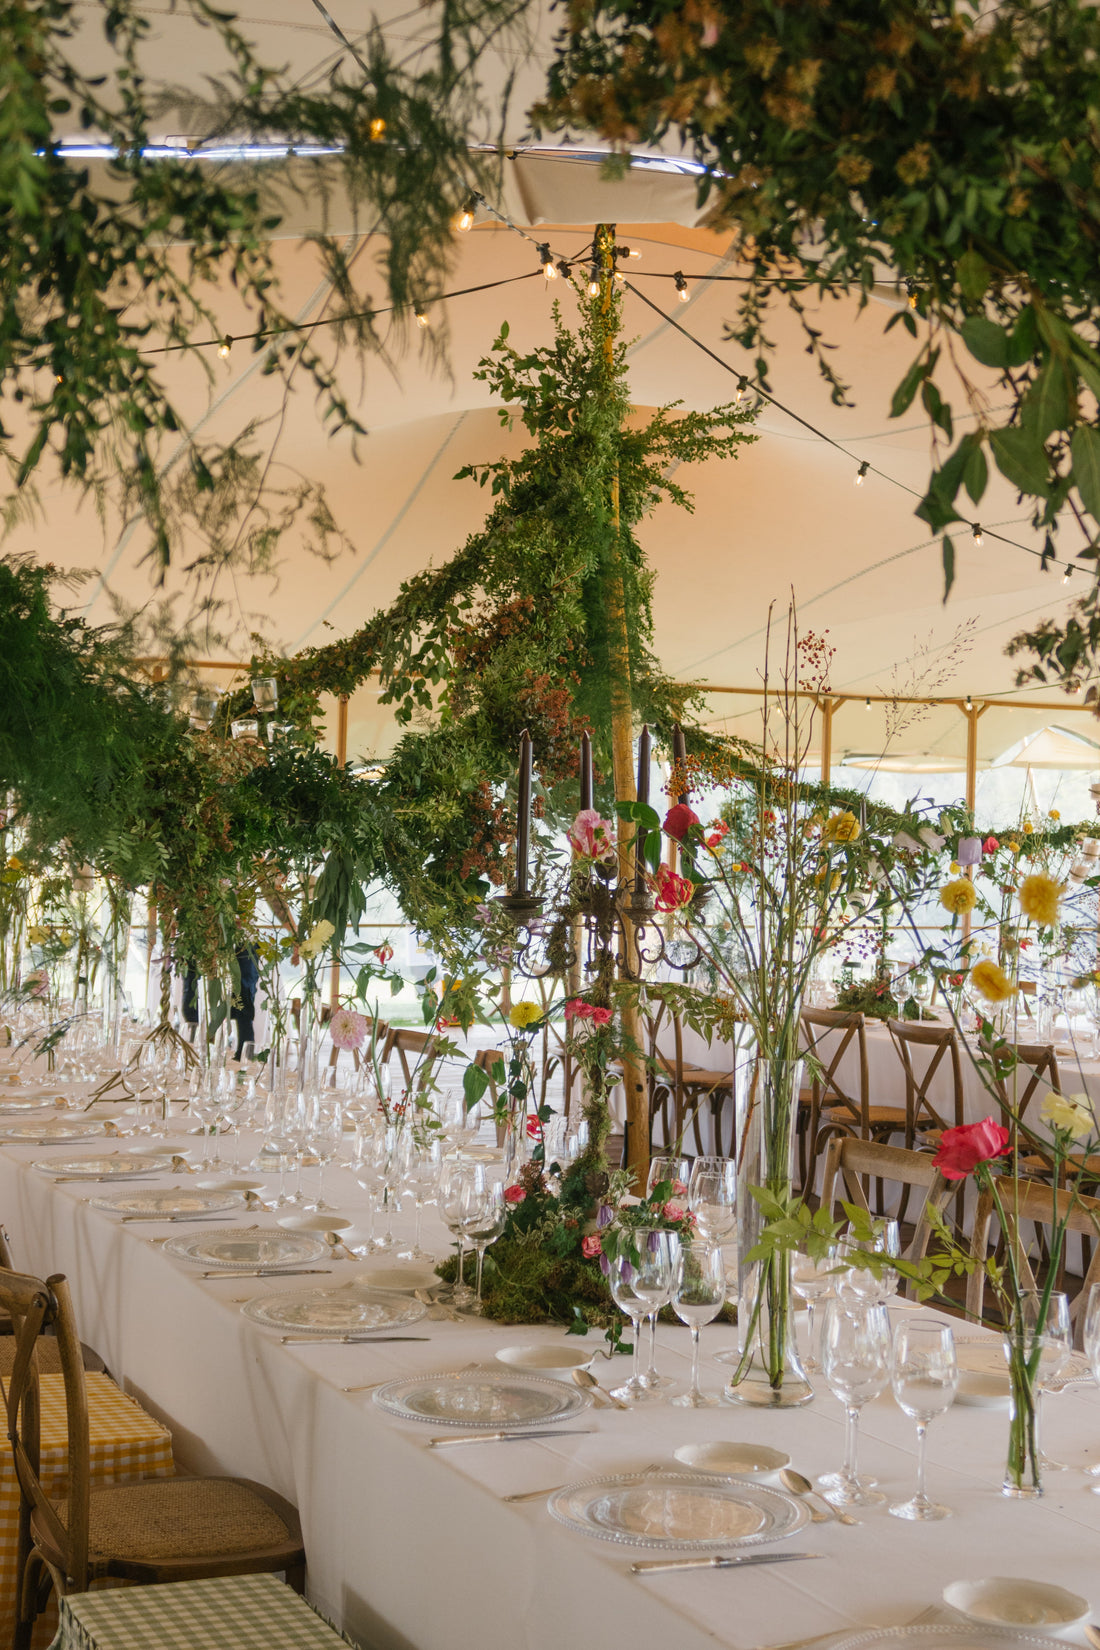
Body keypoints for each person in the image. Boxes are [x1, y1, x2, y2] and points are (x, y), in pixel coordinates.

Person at [182, 946, 258, 1057]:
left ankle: (243, 1056)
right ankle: (193, 1052)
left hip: (244, 944)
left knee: (242, 999)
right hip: (199, 942)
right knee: (192, 996)